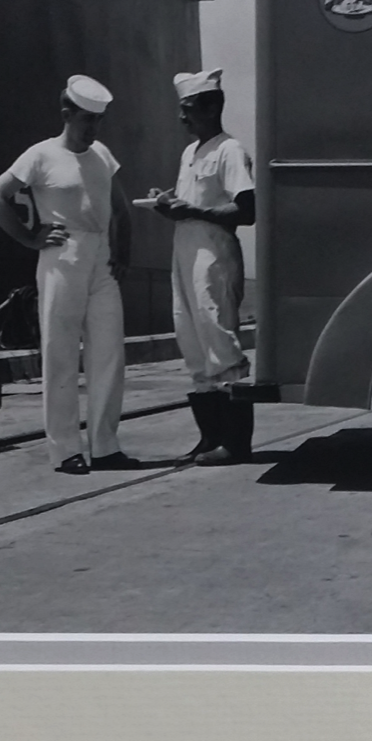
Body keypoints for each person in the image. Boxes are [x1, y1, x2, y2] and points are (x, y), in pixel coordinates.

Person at [0, 75, 138, 475]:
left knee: (109, 354)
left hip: (101, 258)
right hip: (62, 256)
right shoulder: (40, 155)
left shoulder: (102, 154)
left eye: (97, 121)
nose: (93, 129)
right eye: (87, 120)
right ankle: (65, 449)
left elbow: (120, 209)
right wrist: (30, 239)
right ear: (67, 114)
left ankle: (105, 446)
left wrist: (122, 252)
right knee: (61, 354)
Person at [151, 68, 256, 465]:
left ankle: (236, 442)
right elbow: (187, 205)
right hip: (185, 255)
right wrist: (168, 205)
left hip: (214, 258)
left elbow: (246, 209)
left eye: (189, 108)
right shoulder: (190, 153)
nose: (182, 117)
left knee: (219, 341)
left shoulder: (229, 150)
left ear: (211, 108)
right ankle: (209, 438)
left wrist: (194, 210)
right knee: (192, 343)